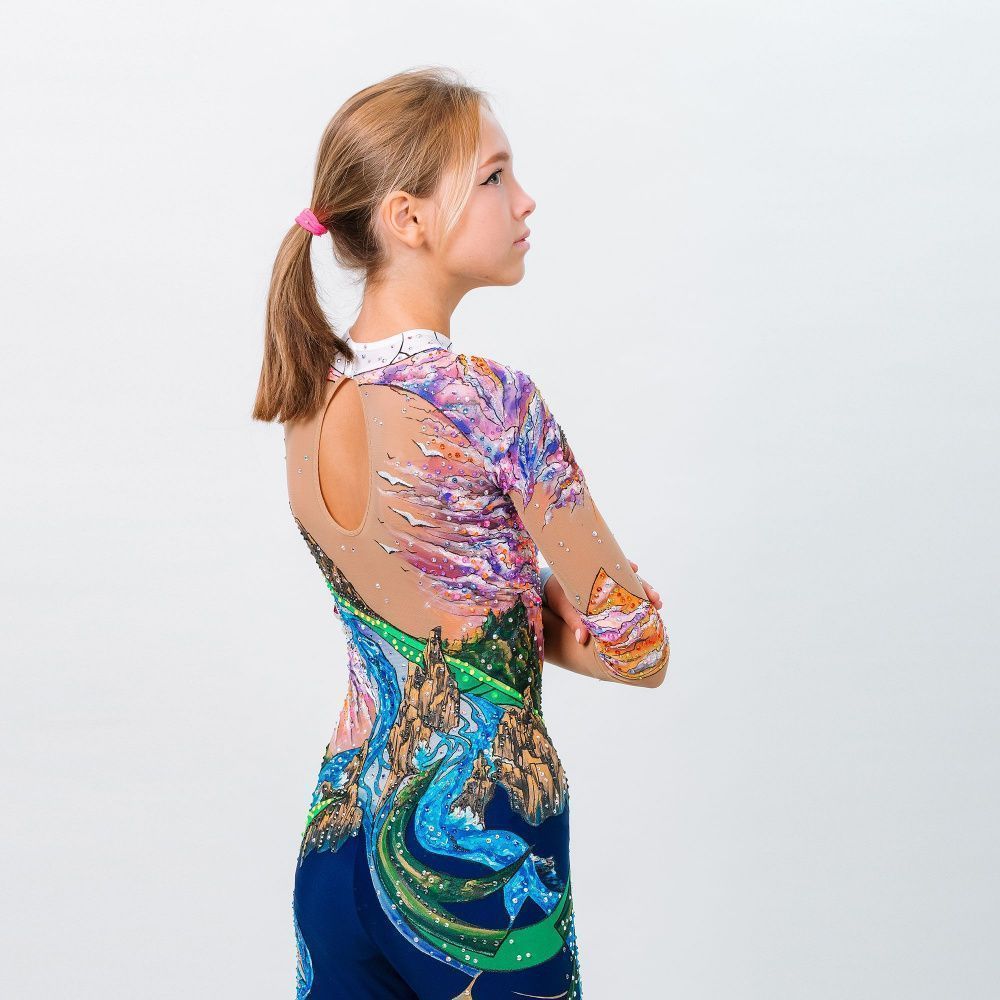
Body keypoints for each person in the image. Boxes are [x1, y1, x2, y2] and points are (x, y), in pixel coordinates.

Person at [252, 66, 670, 1000]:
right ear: (407, 218)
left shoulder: (307, 399)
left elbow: (428, 610)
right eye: (492, 177)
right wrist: (568, 608)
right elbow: (641, 650)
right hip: (478, 858)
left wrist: (522, 605)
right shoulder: (493, 404)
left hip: (338, 843)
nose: (524, 200)